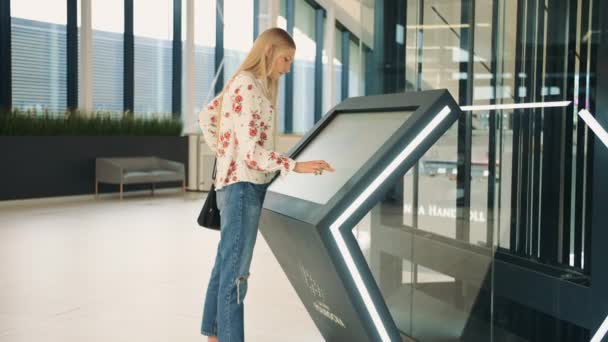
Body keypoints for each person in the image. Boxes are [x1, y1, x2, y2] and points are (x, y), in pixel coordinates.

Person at [197, 27, 334, 342]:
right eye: (286, 59)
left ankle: (214, 336)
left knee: (224, 266)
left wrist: (225, 150)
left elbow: (207, 117)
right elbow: (252, 153)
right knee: (236, 274)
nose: (287, 68)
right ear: (269, 51)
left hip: (232, 185)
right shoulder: (249, 87)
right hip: (244, 187)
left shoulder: (242, 81)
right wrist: (295, 165)